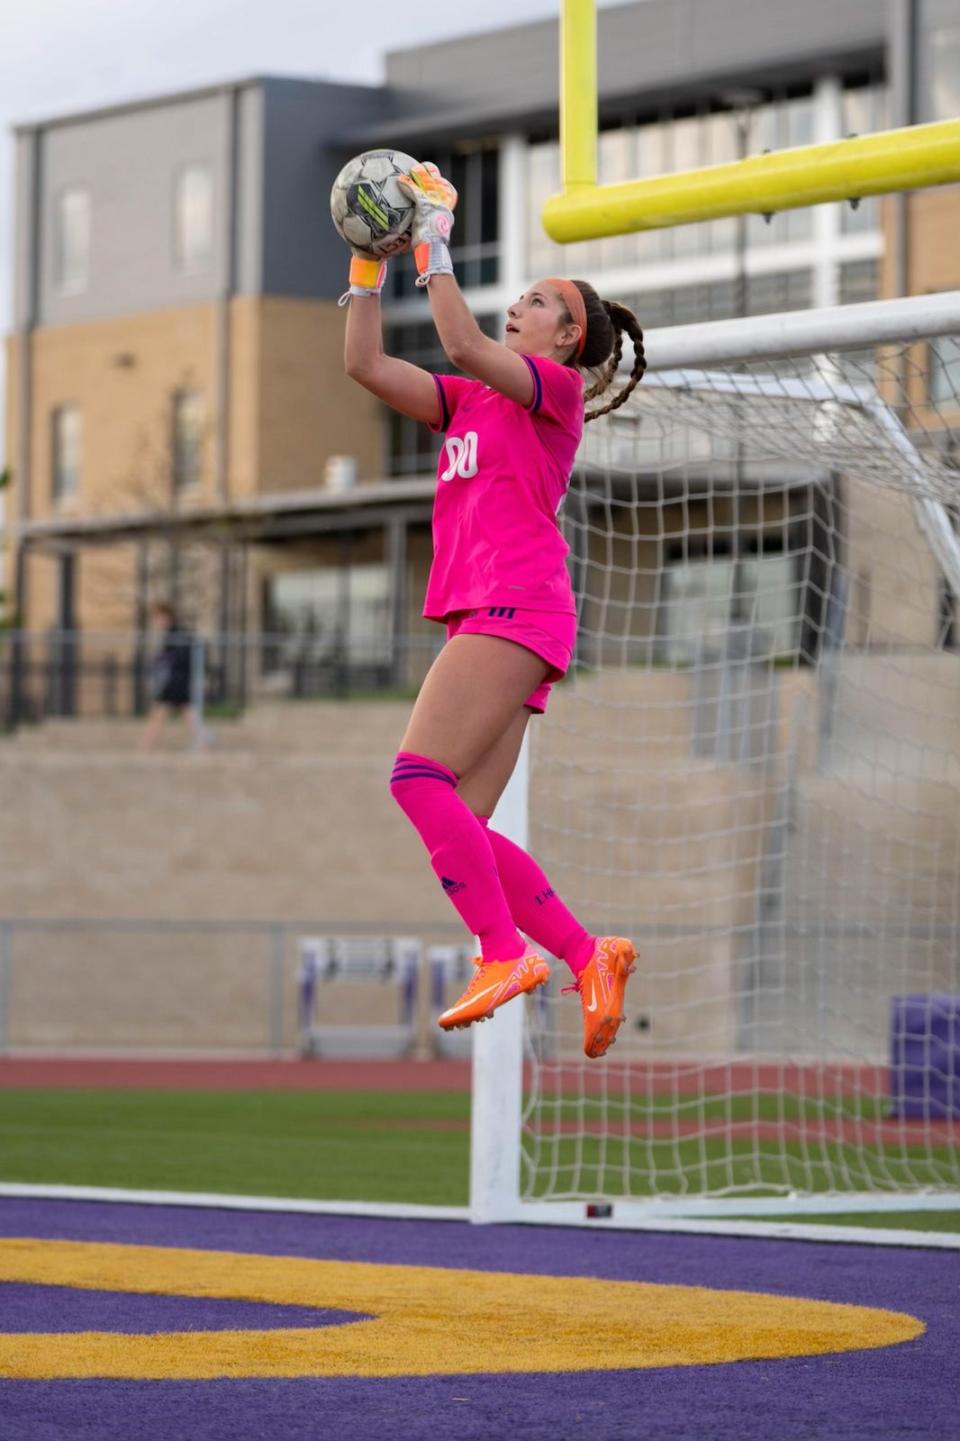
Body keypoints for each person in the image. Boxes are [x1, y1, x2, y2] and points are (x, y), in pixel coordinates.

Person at [341, 163, 646, 1058]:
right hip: (511, 615)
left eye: (537, 299)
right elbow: (363, 362)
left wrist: (432, 234)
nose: (518, 305)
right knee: (462, 824)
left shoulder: (554, 394)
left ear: (569, 334)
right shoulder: (470, 401)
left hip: (513, 607)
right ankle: (591, 954)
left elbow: (465, 341)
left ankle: (503, 952)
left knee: (414, 779)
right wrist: (368, 263)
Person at [140, 601, 196, 751]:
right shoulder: (172, 634)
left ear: (166, 616)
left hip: (175, 681)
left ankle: (147, 744)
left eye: (158, 617)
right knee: (186, 713)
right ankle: (202, 742)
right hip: (177, 680)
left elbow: (178, 659)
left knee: (161, 712)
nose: (156, 622)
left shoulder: (176, 634)